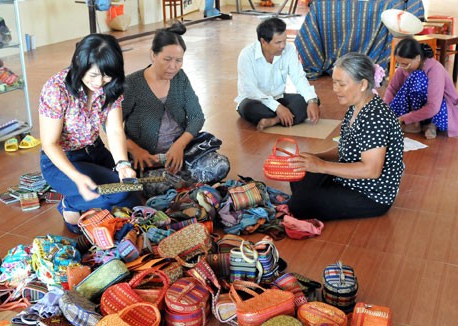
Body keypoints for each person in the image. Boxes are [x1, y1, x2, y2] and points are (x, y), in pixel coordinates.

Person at [39, 34, 142, 233]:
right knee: (104, 198)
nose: (99, 82)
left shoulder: (111, 86)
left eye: (106, 75)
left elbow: (114, 129)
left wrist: (122, 164)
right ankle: (70, 204)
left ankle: (80, 199)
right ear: (79, 63)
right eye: (93, 75)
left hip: (95, 152)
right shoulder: (56, 89)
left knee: (130, 194)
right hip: (61, 161)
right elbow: (50, 144)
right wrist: (76, 177)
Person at [288, 53, 404, 220]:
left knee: (299, 205)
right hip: (351, 180)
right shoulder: (356, 107)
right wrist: (314, 158)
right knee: (301, 173)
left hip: (370, 193)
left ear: (363, 84)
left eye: (341, 84)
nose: (335, 89)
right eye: (334, 82)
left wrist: (321, 165)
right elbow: (346, 148)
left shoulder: (375, 117)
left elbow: (371, 170)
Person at [122, 22, 230, 197]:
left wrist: (179, 146)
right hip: (149, 159)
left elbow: (197, 117)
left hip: (182, 154)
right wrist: (136, 150)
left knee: (221, 165)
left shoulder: (180, 78)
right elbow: (111, 126)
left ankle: (179, 183)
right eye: (167, 59)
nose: (173, 66)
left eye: (178, 60)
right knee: (156, 186)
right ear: (153, 55)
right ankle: (183, 183)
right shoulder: (132, 84)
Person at [235, 17, 321, 131]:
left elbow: (299, 77)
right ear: (264, 42)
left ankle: (273, 121)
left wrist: (311, 101)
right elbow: (250, 90)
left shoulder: (289, 50)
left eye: (284, 40)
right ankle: (286, 116)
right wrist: (278, 108)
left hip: (278, 97)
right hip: (255, 101)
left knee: (312, 99)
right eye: (278, 42)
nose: (283, 46)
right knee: (247, 108)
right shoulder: (247, 55)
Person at [384, 37, 458, 139]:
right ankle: (425, 124)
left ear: (418, 58)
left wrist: (405, 118)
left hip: (441, 111)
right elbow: (392, 89)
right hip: (423, 110)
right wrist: (385, 109)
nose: (402, 67)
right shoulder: (405, 67)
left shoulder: (435, 69)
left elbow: (433, 107)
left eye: (405, 64)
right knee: (390, 108)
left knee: (417, 76)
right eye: (399, 63)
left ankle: (421, 124)